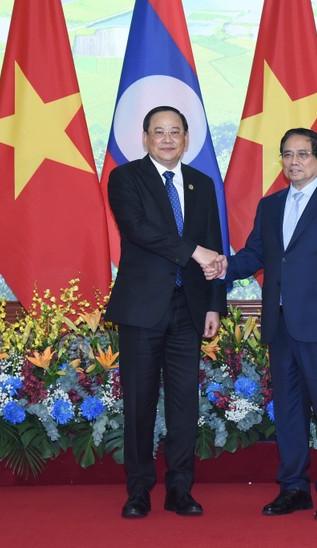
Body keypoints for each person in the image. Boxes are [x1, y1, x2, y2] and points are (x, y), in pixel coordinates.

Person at [205, 127, 317, 521]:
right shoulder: (271, 205)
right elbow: (255, 255)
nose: (294, 162)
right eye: (287, 155)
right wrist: (224, 267)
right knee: (289, 412)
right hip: (280, 327)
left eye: (302, 154)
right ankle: (293, 488)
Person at [105, 105, 226, 519]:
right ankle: (139, 490)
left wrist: (214, 304)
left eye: (176, 131)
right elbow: (139, 229)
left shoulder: (202, 184)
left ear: (187, 139)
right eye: (159, 131)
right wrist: (193, 251)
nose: (168, 139)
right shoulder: (126, 178)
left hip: (188, 308)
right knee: (139, 403)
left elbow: (214, 245)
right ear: (145, 138)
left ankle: (180, 488)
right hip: (142, 309)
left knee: (183, 404)